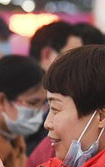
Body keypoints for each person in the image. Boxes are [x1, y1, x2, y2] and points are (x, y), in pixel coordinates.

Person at [24, 21, 83, 155]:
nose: (78, 66)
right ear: (46, 55)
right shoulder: (16, 97)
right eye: (72, 57)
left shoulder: (72, 96)